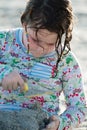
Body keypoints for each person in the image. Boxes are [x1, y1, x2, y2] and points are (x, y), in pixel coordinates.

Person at [0, 0, 86, 129]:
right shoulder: (3, 41)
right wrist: (3, 72)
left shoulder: (66, 61)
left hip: (38, 123)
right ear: (24, 23)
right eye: (35, 40)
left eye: (51, 44)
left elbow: (79, 108)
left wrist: (59, 123)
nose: (41, 49)